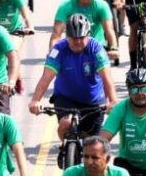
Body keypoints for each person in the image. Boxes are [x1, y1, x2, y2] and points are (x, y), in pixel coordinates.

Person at [28, 14, 116, 160]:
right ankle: (66, 147)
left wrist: (112, 100)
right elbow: (46, 77)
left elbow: (106, 77)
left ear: (88, 35)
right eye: (73, 38)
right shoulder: (58, 50)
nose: (78, 41)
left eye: (81, 37)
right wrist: (35, 100)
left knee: (94, 144)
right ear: (66, 36)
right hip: (66, 97)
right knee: (65, 123)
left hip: (93, 99)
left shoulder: (96, 48)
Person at [50, 0, 117, 55]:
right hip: (73, 47)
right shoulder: (65, 6)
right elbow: (56, 34)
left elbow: (109, 30)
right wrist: (52, 55)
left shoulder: (102, 5)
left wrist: (113, 47)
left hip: (95, 48)